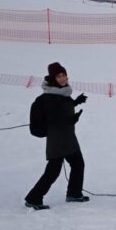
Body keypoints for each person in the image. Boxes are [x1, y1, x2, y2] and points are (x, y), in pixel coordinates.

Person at [25, 62, 88, 210]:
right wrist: (71, 119)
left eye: (64, 75)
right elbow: (54, 118)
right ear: (53, 78)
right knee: (53, 170)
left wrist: (75, 102)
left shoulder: (62, 92)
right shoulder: (49, 97)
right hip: (58, 139)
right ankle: (33, 198)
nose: (62, 78)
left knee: (78, 164)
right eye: (59, 76)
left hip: (68, 137)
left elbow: (63, 106)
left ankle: (74, 193)